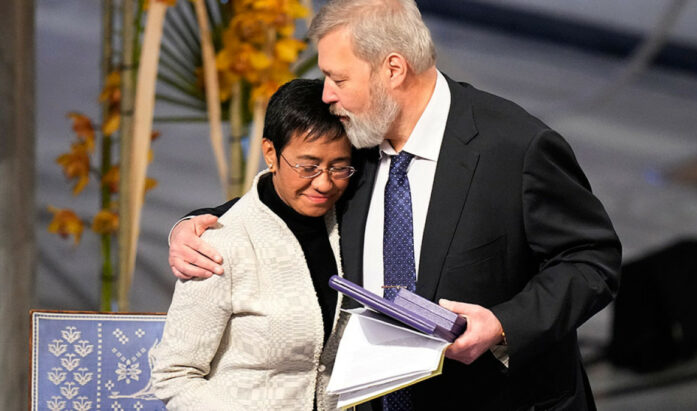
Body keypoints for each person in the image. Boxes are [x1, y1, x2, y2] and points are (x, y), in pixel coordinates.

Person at [167, 0, 622, 409]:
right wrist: (193, 227)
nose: (326, 95)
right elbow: (290, 191)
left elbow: (591, 259)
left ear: (393, 69)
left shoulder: (516, 146)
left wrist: (503, 324)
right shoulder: (356, 141)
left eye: (337, 78)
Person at [151, 79, 355, 410]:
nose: (324, 183)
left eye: (339, 167)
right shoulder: (220, 243)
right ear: (270, 153)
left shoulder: (352, 223)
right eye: (308, 166)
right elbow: (174, 376)